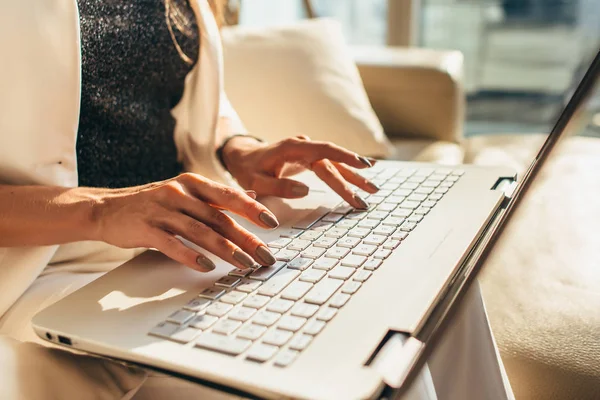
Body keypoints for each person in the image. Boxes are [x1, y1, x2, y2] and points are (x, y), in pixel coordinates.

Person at [0, 0, 514, 399]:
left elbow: (185, 90)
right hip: (53, 261)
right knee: (369, 363)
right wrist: (101, 210)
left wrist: (238, 149)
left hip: (187, 231)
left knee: (445, 296)